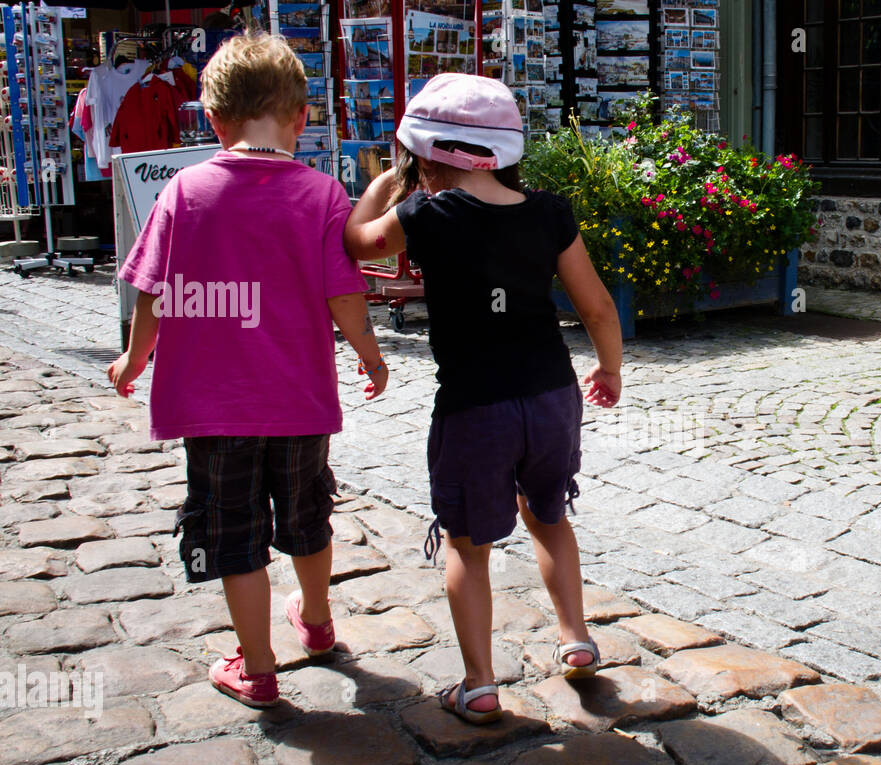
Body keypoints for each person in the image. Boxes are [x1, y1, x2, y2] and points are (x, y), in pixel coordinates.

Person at [107, 31, 387, 708]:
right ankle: (317, 626)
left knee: (235, 536)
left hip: (214, 407)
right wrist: (368, 353)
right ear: (301, 117)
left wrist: (134, 358)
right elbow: (343, 293)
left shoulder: (184, 192)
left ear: (211, 118)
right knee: (307, 513)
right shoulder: (322, 195)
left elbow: (153, 293)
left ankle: (257, 666)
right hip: (299, 402)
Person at [344, 73, 622, 724]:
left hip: (475, 407)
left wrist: (385, 185)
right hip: (552, 396)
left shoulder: (424, 215)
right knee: (550, 517)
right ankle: (576, 638)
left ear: (423, 156)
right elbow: (598, 304)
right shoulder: (550, 213)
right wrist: (609, 369)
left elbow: (356, 243)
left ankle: (479, 683)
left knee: (468, 545)